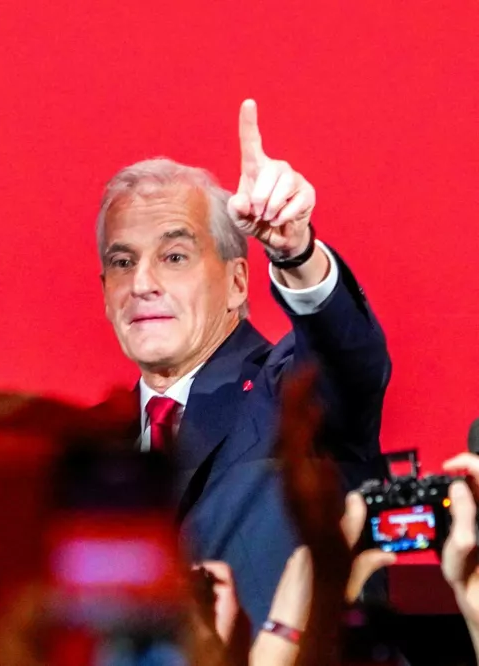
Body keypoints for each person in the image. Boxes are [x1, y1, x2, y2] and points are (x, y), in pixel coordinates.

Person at [96, 99, 390, 629]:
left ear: (237, 283)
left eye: (174, 256)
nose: (141, 283)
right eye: (122, 262)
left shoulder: (288, 395)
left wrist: (296, 253)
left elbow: (352, 363)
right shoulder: (93, 451)